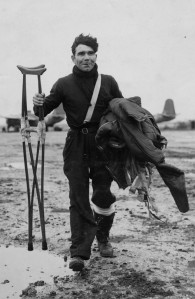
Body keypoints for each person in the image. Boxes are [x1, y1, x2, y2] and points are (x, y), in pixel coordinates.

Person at [33, 33, 123, 271]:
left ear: (96, 55)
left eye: (90, 53)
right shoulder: (63, 83)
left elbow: (121, 111)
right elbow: (43, 111)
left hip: (103, 144)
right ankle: (79, 253)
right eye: (81, 54)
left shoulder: (109, 81)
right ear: (72, 57)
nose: (86, 58)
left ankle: (103, 238)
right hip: (76, 143)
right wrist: (38, 103)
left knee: (103, 193)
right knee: (78, 196)